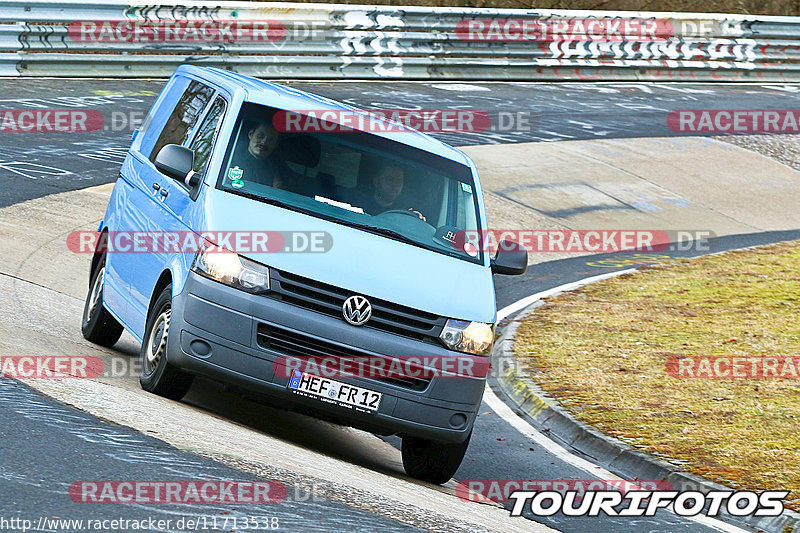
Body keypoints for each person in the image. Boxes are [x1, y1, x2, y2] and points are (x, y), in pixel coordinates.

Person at [229, 120, 289, 187]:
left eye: (271, 139)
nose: (264, 142)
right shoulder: (230, 160)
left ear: (275, 145)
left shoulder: (279, 170)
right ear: (251, 134)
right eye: (260, 136)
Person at [361, 165, 426, 221]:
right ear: (376, 182)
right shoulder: (359, 201)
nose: (395, 185)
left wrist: (416, 220)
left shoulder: (405, 211)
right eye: (390, 179)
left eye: (399, 181)